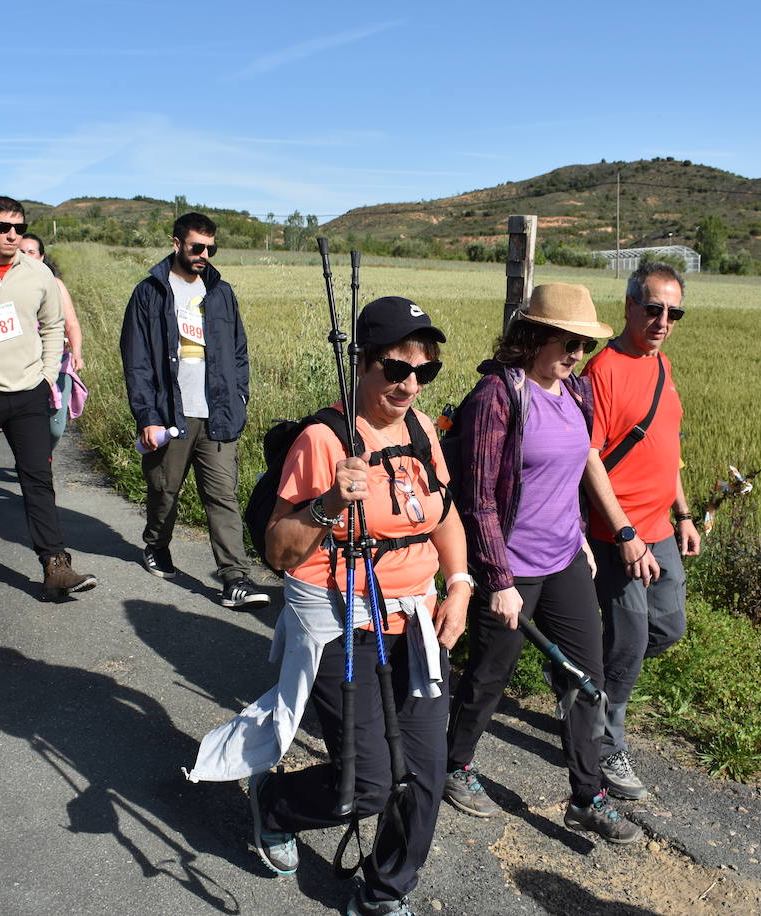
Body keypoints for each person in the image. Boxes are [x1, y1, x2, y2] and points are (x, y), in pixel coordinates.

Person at [189, 296, 470, 916]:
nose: (410, 384)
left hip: (418, 622)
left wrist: (460, 586)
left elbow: (444, 519)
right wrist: (328, 506)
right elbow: (281, 552)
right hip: (345, 622)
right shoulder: (322, 439)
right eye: (397, 369)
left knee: (424, 774)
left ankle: (383, 892)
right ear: (364, 363)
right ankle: (277, 803)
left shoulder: (423, 431)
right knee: (368, 782)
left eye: (425, 373)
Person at [441, 283, 642, 843]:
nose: (577, 352)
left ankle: (587, 795)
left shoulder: (575, 391)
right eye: (566, 340)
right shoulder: (496, 396)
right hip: (511, 566)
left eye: (583, 342)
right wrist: (498, 578)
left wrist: (578, 535)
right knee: (490, 675)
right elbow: (479, 497)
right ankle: (455, 765)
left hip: (563, 559)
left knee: (587, 679)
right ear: (533, 335)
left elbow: (573, 471)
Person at [583, 261, 701, 801]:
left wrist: (683, 513)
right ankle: (605, 746)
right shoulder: (602, 370)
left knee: (668, 627)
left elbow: (667, 447)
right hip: (618, 535)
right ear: (629, 306)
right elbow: (588, 458)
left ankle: (586, 686)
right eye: (653, 309)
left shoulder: (662, 366)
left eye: (673, 312)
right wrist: (624, 532)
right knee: (629, 639)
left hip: (659, 527)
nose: (663, 321)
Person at [0, 195, 95, 601]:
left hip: (28, 392)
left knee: (38, 481)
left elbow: (52, 326)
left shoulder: (38, 273)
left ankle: (55, 565)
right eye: (3, 227)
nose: (12, 235)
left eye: (19, 228)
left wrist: (46, 376)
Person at [120, 212, 266, 608]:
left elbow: (239, 352)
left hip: (218, 413)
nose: (204, 254)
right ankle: (156, 543)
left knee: (222, 496)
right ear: (176, 243)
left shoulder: (220, 292)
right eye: (197, 247)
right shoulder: (149, 292)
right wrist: (147, 416)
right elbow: (137, 362)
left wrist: (240, 398)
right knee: (164, 490)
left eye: (210, 248)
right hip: (170, 413)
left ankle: (235, 577)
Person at [18, 232, 84, 450]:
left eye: (31, 252)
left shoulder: (55, 285)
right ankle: (33, 462)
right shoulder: (8, 287)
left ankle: (44, 455)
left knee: (56, 426)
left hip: (57, 362)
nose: (26, 256)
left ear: (41, 257)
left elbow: (72, 324)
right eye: (21, 252)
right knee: (25, 423)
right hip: (21, 364)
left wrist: (77, 353)